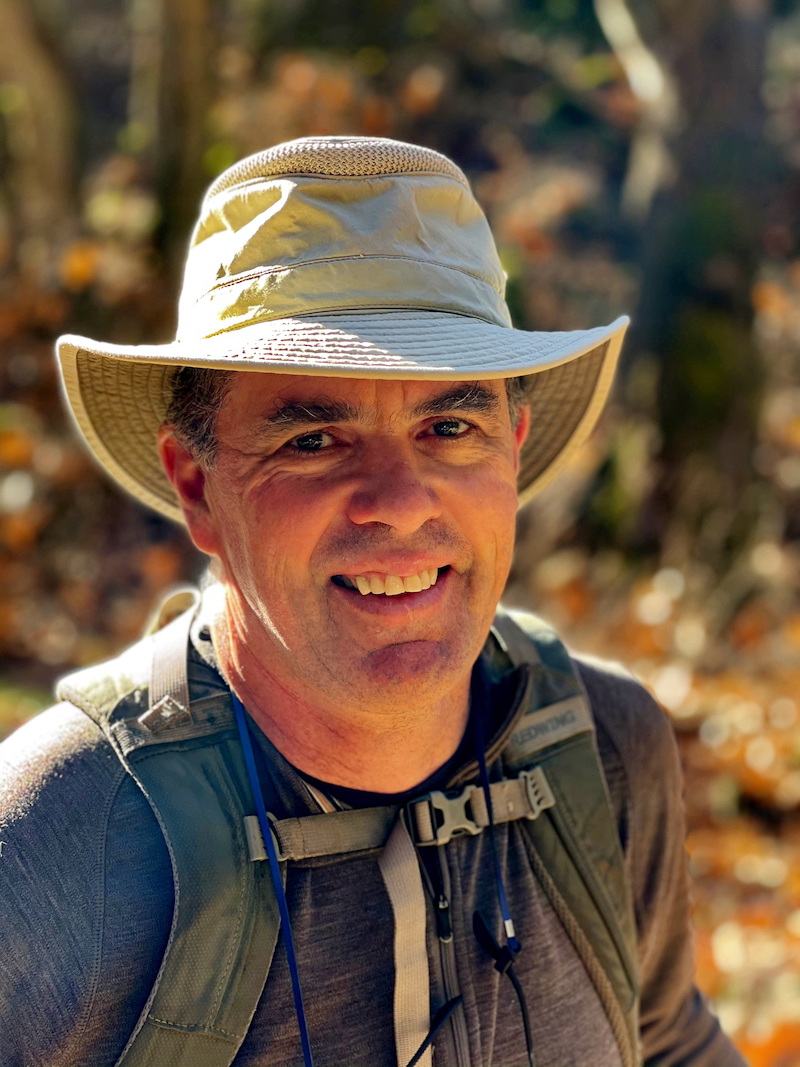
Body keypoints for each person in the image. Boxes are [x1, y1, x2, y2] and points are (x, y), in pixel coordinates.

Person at [0, 135, 745, 1067]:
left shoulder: (603, 751)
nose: (399, 502)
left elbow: (667, 1039)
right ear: (196, 486)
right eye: (314, 440)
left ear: (513, 451)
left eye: (449, 426)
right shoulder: (47, 845)